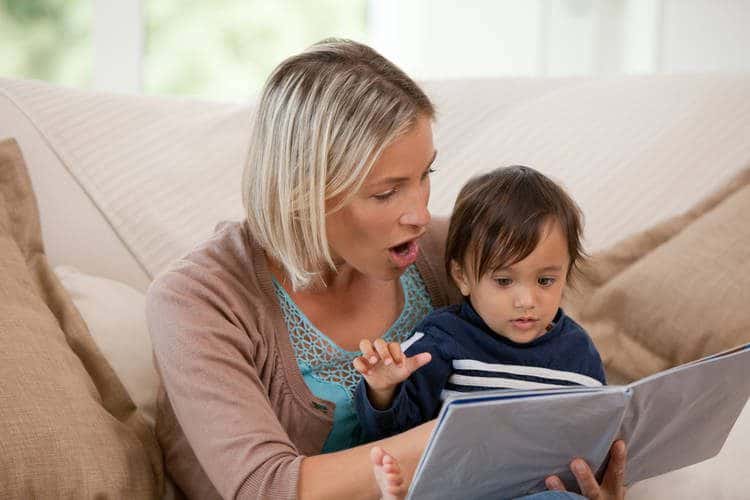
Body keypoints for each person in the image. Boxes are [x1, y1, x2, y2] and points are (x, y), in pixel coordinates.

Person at [145, 38, 627, 499]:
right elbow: (265, 487)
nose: (419, 213)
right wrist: (486, 430)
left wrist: (578, 469)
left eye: (425, 176)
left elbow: (550, 325)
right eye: (386, 192)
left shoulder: (449, 251)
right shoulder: (197, 299)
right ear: (301, 192)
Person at [353, 165, 606, 444]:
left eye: (545, 281)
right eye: (503, 281)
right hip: (463, 483)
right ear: (462, 277)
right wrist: (384, 389)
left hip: (543, 483)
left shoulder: (579, 353)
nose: (527, 301)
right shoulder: (443, 338)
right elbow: (394, 435)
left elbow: (595, 436)